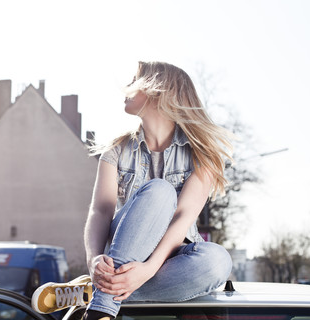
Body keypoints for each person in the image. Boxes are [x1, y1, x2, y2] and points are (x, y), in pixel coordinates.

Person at [32, 61, 234, 320]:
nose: (126, 89)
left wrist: (149, 268)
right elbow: (101, 211)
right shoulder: (115, 149)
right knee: (160, 191)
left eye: (134, 82)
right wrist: (94, 259)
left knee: (218, 261)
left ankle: (93, 293)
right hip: (124, 251)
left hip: (172, 255)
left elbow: (182, 218)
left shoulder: (202, 155)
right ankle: (101, 311)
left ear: (157, 92)